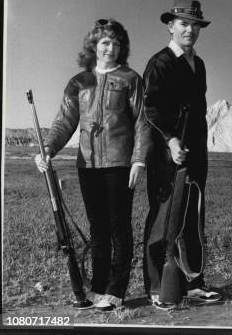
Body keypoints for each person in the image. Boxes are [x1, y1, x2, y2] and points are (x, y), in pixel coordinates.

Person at [35, 19, 150, 311]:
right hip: (87, 166)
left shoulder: (130, 78)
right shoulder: (79, 81)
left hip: (120, 164)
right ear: (94, 46)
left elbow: (142, 122)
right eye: (104, 43)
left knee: (119, 227)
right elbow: (64, 121)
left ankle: (115, 291)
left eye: (116, 43)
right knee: (98, 229)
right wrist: (47, 148)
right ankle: (97, 288)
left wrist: (139, 160)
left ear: (122, 47)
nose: (111, 48)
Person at [142, 0, 220, 311]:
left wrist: (194, 147)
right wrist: (171, 140)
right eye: (183, 23)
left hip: (195, 152)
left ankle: (193, 282)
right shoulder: (160, 62)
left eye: (195, 24)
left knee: (192, 216)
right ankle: (158, 286)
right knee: (164, 219)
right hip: (166, 154)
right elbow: (151, 108)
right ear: (171, 26)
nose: (190, 29)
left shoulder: (197, 64)